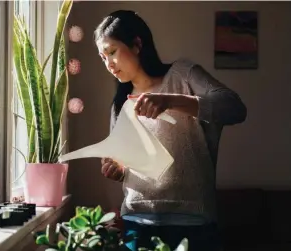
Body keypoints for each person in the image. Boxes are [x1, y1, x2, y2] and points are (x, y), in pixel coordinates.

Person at [94, 10, 247, 251]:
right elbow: (125, 166)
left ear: (136, 44)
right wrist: (117, 169)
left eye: (112, 52)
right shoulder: (119, 104)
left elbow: (235, 108)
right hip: (136, 222)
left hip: (193, 223)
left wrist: (170, 101)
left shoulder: (183, 74)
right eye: (103, 58)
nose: (109, 64)